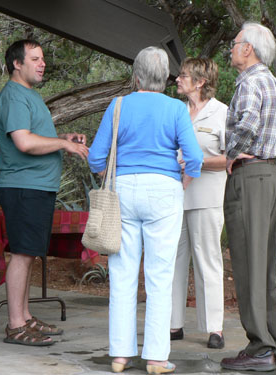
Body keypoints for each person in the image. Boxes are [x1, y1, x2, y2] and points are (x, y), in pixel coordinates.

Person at [88, 46, 203, 374]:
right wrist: (183, 182)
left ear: (135, 76)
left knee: (122, 275)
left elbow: (97, 157)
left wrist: (109, 172)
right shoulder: (176, 109)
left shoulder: (118, 105)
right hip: (164, 190)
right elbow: (193, 158)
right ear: (165, 79)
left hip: (124, 190)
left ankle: (120, 356)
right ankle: (155, 358)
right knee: (160, 276)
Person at [0, 39, 89, 346]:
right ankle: (15, 326)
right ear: (16, 64)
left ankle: (24, 317)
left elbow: (35, 136)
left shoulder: (28, 95)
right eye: (34, 58)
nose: (42, 63)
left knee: (29, 252)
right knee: (21, 254)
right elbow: (23, 142)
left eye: (42, 58)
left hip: (36, 187)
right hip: (23, 186)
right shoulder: (14, 97)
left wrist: (62, 136)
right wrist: (64, 145)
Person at [220, 22, 276, 372]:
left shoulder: (251, 82)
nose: (232, 48)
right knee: (263, 268)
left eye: (235, 43)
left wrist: (233, 154)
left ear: (248, 48)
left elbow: (249, 123)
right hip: (270, 176)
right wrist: (272, 147)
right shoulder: (274, 83)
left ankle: (260, 348)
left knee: (249, 265)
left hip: (251, 178)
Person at [170, 58, 227, 350]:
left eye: (183, 75)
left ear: (200, 81)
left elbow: (229, 160)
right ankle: (173, 323)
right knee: (173, 260)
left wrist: (197, 161)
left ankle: (214, 327)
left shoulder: (222, 114)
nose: (178, 79)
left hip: (206, 198)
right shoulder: (177, 110)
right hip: (173, 198)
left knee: (207, 261)